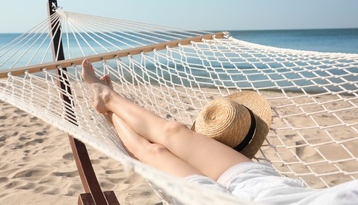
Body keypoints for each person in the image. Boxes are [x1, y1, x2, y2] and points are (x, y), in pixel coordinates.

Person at [81, 59, 358, 205]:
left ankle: (108, 111)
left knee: (151, 151)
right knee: (175, 130)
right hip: (277, 193)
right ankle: (108, 99)